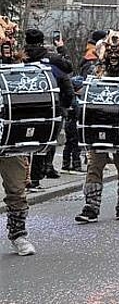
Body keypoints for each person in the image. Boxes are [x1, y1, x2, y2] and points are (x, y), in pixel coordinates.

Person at [75, 31, 119, 223]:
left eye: (118, 52)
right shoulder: (96, 72)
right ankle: (91, 207)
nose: (114, 56)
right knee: (94, 166)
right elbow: (87, 94)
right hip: (98, 126)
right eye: (111, 52)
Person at [22, 29, 74, 190]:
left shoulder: (19, 59)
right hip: (50, 108)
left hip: (22, 107)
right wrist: (64, 107)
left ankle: (22, 179)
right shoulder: (53, 59)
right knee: (42, 143)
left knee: (22, 144)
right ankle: (36, 178)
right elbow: (68, 73)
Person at [0, 18, 35, 255]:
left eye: (10, 40)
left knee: (16, 188)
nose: (8, 44)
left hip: (10, 137)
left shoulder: (18, 70)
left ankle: (19, 235)